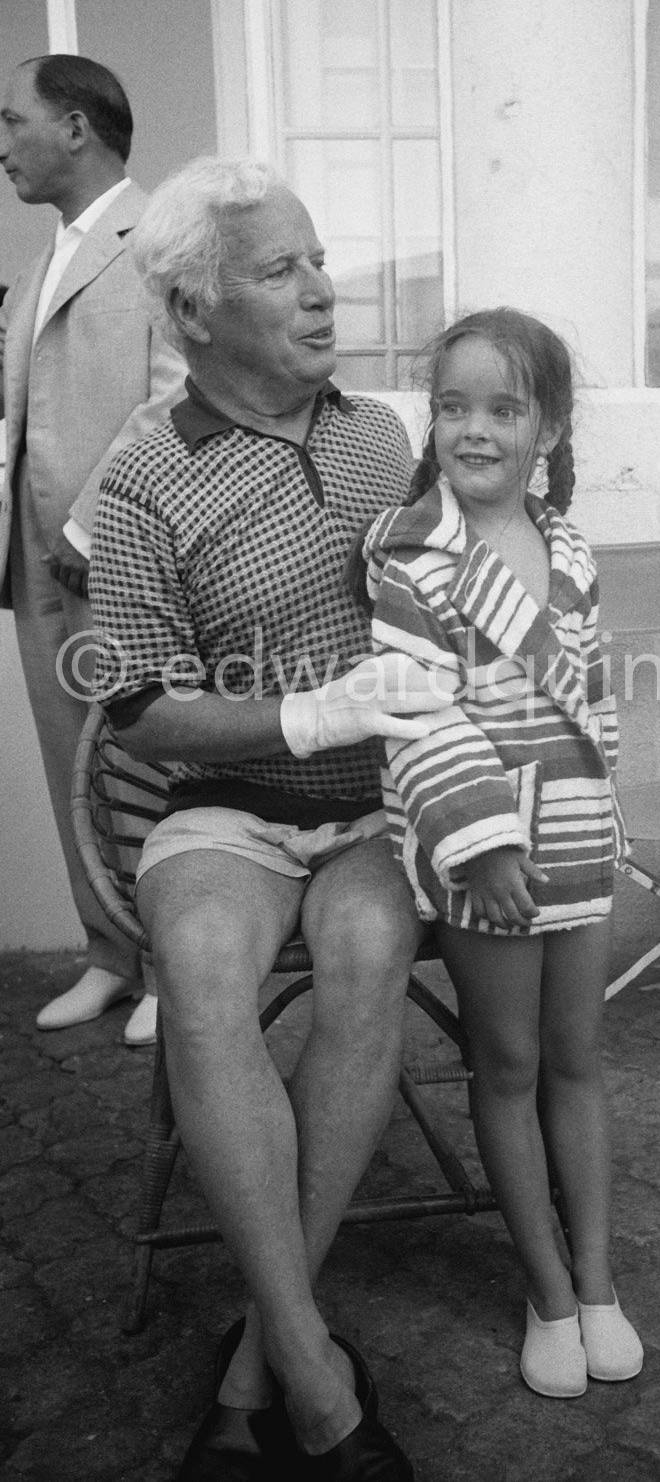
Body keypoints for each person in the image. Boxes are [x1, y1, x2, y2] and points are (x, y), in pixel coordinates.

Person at [87, 156, 456, 1480]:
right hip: (227, 811)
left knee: (365, 954)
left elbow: (444, 602)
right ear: (193, 312)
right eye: (280, 269)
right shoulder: (136, 483)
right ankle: (314, 1368)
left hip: (373, 814)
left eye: (318, 259)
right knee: (196, 965)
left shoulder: (381, 436)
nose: (321, 289)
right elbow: (134, 708)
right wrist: (307, 715)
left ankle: (261, 1360)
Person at [357, 308, 643, 1398]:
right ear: (430, 421)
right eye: (451, 406)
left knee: (577, 1062)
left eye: (502, 408)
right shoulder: (409, 557)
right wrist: (477, 841)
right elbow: (415, 715)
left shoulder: (568, 548)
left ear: (548, 427)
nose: (472, 430)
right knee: (510, 1068)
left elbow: (594, 693)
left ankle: (599, 1275)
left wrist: (605, 803)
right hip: (490, 855)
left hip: (577, 847)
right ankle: (545, 1290)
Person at [0, 54, 187, 1044]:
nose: (2, 145)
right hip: (32, 555)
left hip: (112, 553)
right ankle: (109, 956)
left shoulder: (158, 237)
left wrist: (85, 524)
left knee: (137, 758)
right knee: (65, 754)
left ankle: (169, 963)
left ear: (75, 128)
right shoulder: (36, 269)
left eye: (12, 120)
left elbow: (170, 397)